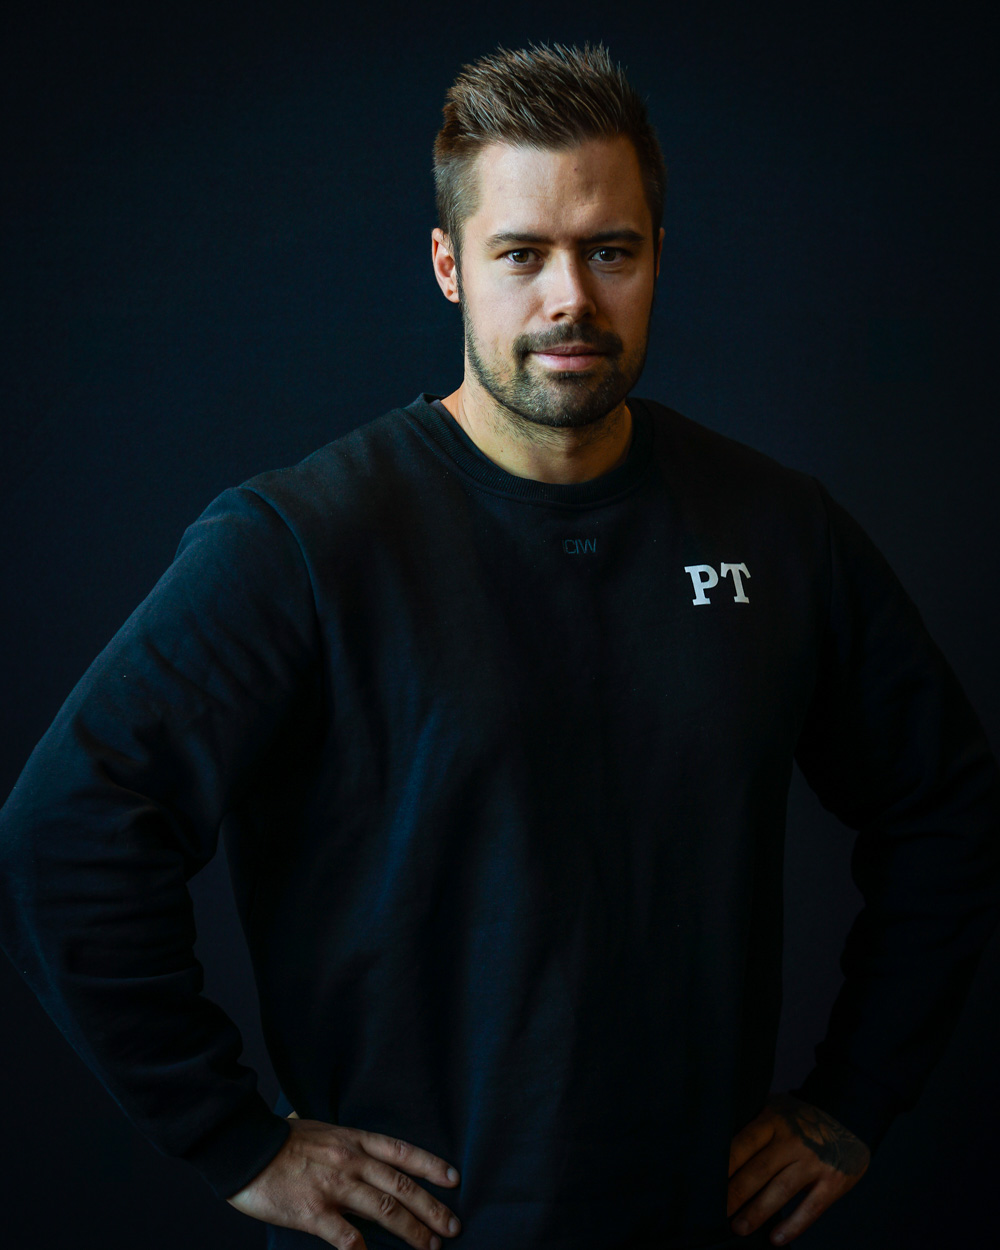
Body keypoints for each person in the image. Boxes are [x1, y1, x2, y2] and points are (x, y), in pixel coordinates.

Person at [0, 40, 997, 1250]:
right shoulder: (303, 541)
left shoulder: (774, 528)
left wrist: (854, 1097)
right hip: (412, 1235)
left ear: (657, 257)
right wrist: (231, 1136)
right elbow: (67, 829)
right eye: (520, 253)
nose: (569, 296)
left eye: (609, 251)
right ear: (449, 265)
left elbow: (948, 805)